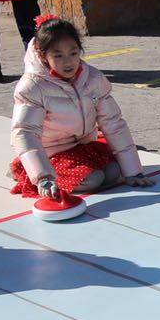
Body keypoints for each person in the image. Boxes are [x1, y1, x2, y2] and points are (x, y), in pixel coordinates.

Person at [8, 15, 150, 198]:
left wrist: (133, 172)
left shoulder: (93, 79)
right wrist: (43, 176)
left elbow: (113, 123)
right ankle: (28, 171)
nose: (68, 62)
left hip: (83, 146)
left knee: (115, 172)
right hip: (51, 153)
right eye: (58, 55)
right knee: (93, 180)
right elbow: (25, 132)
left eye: (73, 53)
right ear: (43, 55)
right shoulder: (33, 86)